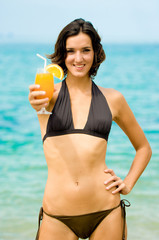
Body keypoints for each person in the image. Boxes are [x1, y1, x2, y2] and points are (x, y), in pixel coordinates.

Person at [28, 18, 152, 240]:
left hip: (106, 211)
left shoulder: (113, 99)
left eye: (85, 50)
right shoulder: (47, 96)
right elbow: (36, 101)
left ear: (95, 53)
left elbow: (143, 148)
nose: (78, 58)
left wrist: (128, 183)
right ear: (62, 55)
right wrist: (35, 101)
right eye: (71, 51)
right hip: (57, 215)